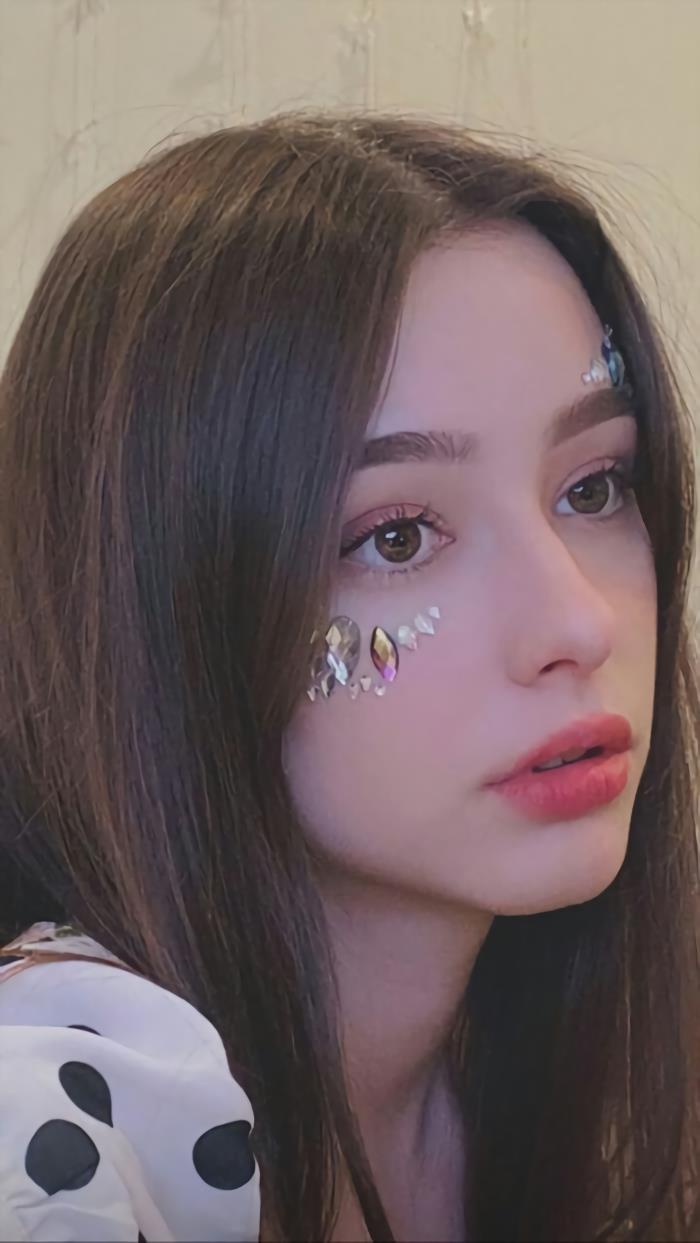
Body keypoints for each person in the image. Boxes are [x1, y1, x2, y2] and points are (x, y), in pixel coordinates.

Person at [0, 110, 697, 1243]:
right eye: (398, 537)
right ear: (165, 594)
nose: (575, 621)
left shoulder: (605, 1086)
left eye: (593, 487)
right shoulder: (55, 1138)